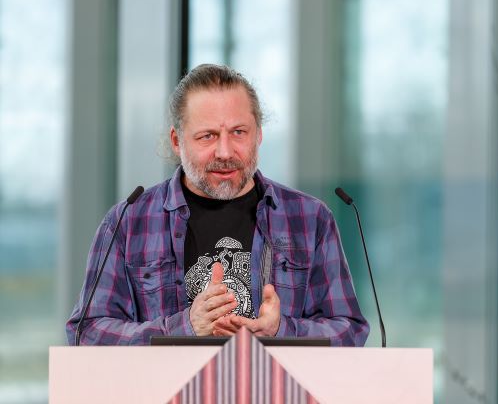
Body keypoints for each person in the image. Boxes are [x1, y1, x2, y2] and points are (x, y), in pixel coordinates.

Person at [66, 64, 369, 346]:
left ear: (258, 135)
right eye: (207, 136)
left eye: (238, 132)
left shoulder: (310, 219)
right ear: (177, 141)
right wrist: (183, 328)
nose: (225, 152)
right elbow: (87, 333)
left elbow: (349, 331)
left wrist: (281, 331)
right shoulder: (128, 222)